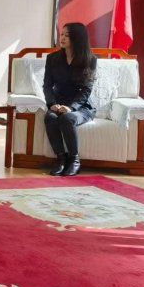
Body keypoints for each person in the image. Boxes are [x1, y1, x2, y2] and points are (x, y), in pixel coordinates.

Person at [43, 22, 98, 176]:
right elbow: (47, 85)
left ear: (77, 38)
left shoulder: (90, 60)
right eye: (62, 34)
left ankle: (74, 160)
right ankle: (61, 159)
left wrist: (71, 107)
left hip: (81, 107)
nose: (62, 38)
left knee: (68, 118)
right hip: (58, 103)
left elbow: (86, 89)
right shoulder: (52, 59)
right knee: (50, 117)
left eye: (67, 35)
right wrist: (52, 104)